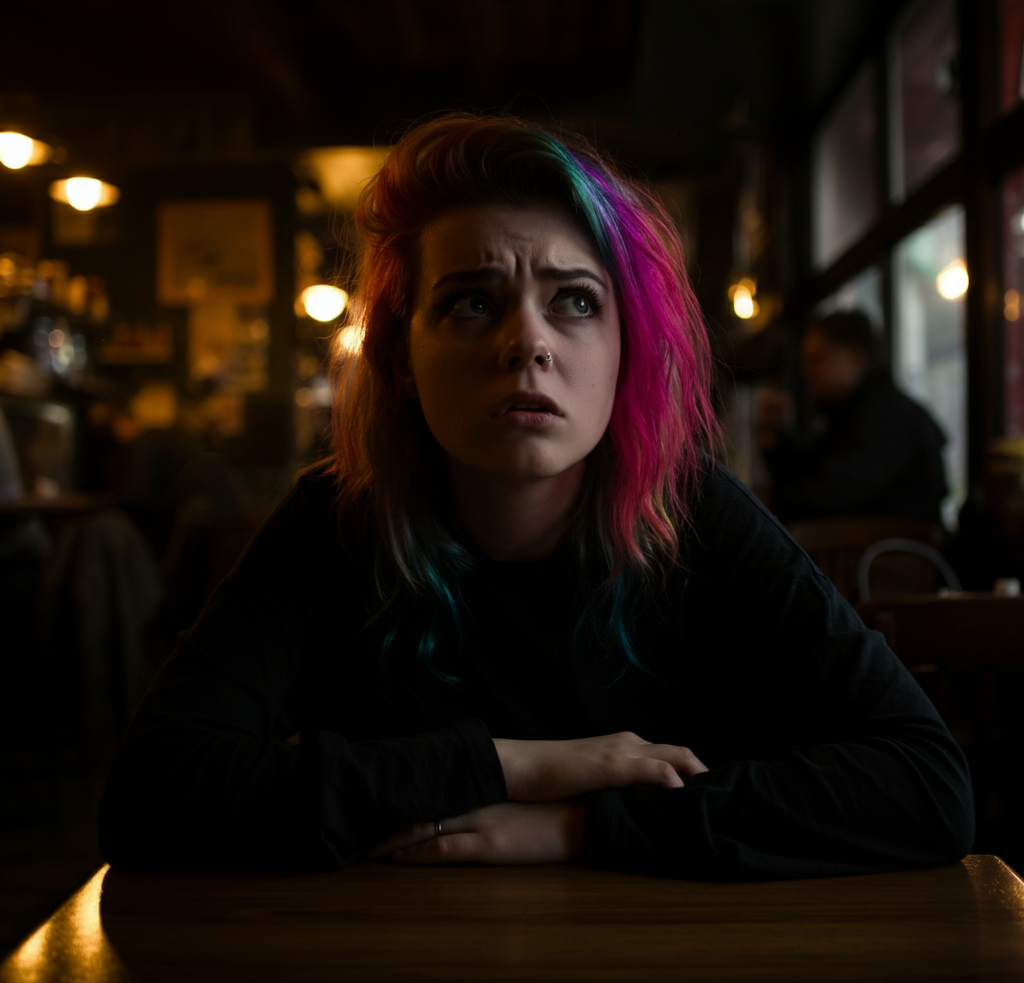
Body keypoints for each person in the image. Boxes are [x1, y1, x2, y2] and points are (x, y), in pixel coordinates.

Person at [98, 116, 973, 879]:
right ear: (400, 357)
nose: (528, 343)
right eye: (472, 302)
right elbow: (154, 793)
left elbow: (925, 787)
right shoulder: (334, 523)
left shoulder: (692, 512)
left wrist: (580, 827)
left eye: (576, 302)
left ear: (626, 348)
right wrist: (525, 767)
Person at [760, 310, 948, 524]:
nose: (806, 371)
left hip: (881, 555)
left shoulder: (884, 419)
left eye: (817, 359)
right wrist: (778, 438)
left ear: (855, 358)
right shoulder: (856, 414)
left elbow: (830, 497)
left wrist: (768, 501)